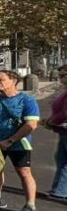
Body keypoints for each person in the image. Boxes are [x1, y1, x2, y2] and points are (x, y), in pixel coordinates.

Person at [0, 70, 40, 211]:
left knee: (24, 172)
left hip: (19, 143)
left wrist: (10, 140)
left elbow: (31, 124)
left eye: (0, 79)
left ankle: (30, 206)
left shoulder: (27, 100)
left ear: (13, 81)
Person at [43, 64, 67, 200]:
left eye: (63, 75)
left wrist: (51, 121)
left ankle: (60, 191)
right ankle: (59, 190)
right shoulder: (64, 91)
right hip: (62, 131)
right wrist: (50, 121)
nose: (60, 79)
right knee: (62, 161)